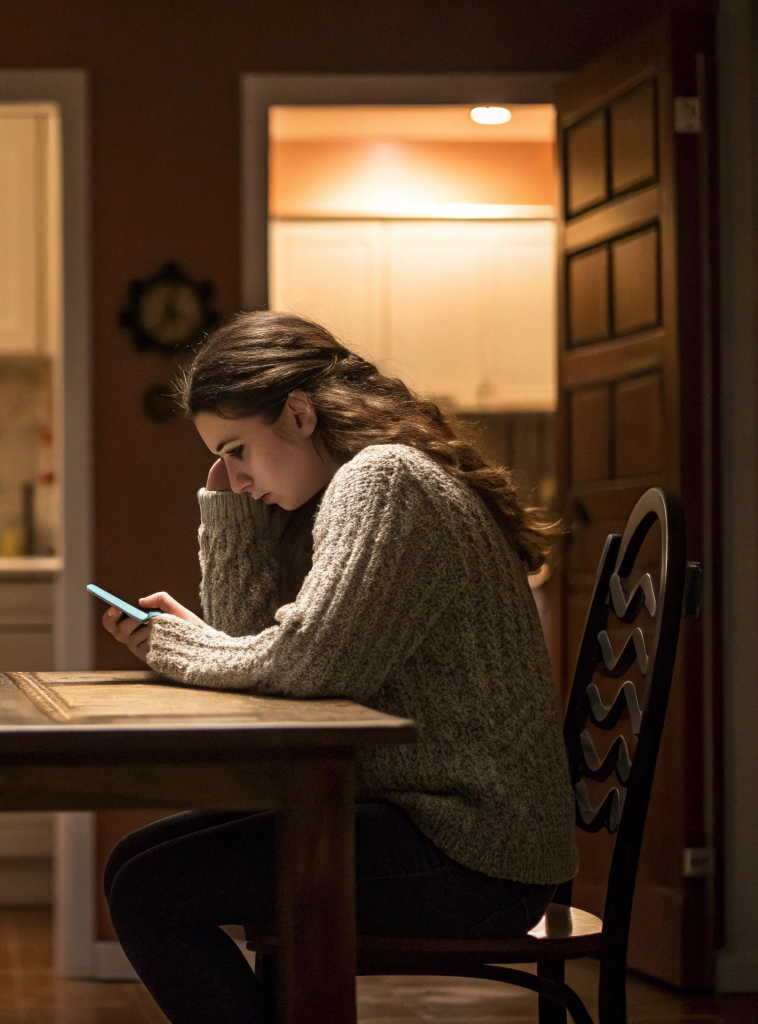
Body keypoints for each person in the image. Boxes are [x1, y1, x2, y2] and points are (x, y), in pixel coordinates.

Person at [99, 310, 576, 1024]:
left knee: (148, 889)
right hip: (438, 829)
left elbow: (310, 668)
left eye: (237, 450)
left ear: (297, 414)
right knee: (134, 868)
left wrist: (178, 647)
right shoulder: (344, 488)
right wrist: (232, 517)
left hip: (474, 855)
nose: (233, 473)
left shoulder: (386, 481)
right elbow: (262, 664)